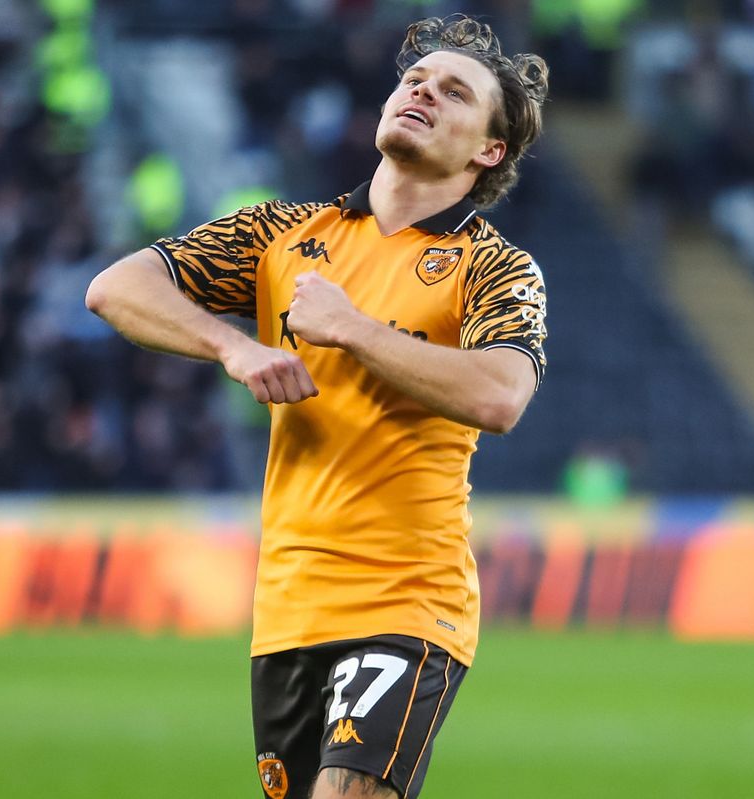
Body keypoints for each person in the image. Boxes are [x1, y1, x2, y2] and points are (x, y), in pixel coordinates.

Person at [85, 15, 548, 799]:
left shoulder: (495, 268)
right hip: (289, 607)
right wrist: (233, 346)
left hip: (407, 598)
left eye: (454, 92)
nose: (422, 92)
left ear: (488, 150)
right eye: (414, 81)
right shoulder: (283, 233)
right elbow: (116, 288)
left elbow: (500, 395)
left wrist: (353, 329)